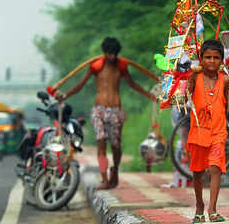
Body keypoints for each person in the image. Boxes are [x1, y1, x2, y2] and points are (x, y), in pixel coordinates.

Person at [54, 37, 156, 190]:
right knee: (101, 142)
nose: (112, 57)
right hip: (99, 110)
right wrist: (65, 95)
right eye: (109, 53)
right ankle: (105, 179)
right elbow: (80, 85)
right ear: (104, 52)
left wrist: (149, 95)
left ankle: (114, 172)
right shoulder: (95, 66)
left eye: (114, 53)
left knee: (116, 146)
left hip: (116, 111)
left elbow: (132, 84)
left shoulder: (121, 67)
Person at [187, 39, 229, 223]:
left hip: (218, 132)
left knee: (215, 168)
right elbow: (184, 97)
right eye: (208, 57)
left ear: (222, 60)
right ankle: (199, 206)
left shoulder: (225, 80)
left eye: (216, 58)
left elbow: (225, 103)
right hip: (197, 132)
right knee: (197, 172)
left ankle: (212, 208)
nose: (212, 61)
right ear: (201, 59)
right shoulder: (194, 78)